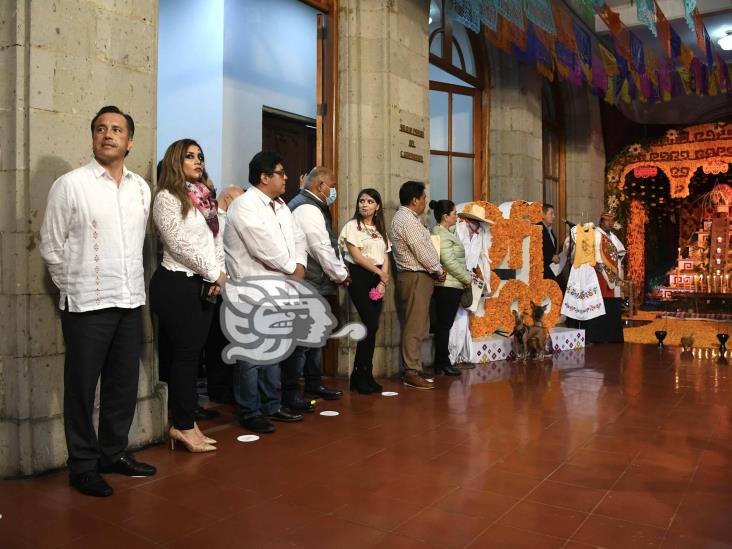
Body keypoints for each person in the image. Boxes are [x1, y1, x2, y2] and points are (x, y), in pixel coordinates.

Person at [39, 105, 156, 497]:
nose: (108, 134)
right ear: (93, 137)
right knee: (81, 387)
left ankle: (113, 453)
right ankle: (83, 465)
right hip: (87, 302)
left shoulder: (141, 187)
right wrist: (74, 285)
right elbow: (51, 247)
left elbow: (139, 246)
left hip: (129, 299)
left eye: (117, 129)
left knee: (122, 385)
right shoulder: (71, 184)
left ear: (129, 141)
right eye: (101, 129)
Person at [150, 139, 225, 453]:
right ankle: (181, 426)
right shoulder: (167, 198)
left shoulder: (205, 199)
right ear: (175, 161)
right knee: (184, 357)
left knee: (193, 357)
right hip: (176, 284)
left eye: (201, 156)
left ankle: (189, 422)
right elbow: (179, 244)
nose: (198, 161)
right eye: (190, 156)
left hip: (203, 283)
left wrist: (218, 274)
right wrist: (213, 272)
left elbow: (214, 241)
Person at [224, 151, 305, 434]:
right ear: (264, 177)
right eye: (281, 173)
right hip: (251, 290)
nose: (285, 178)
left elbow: (297, 237)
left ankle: (271, 404)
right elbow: (265, 247)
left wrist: (300, 264)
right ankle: (249, 409)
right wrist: (291, 266)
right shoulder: (244, 206)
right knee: (250, 356)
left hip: (278, 287)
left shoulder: (281, 206)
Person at [282, 167, 348, 411]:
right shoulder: (308, 208)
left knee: (314, 339)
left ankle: (313, 383)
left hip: (314, 282)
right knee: (301, 342)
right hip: (308, 282)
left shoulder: (313, 205)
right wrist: (341, 274)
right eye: (332, 184)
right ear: (320, 186)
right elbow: (320, 248)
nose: (334, 190)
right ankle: (291, 392)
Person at [390, 181, 445, 390]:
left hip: (419, 276)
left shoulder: (409, 218)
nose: (425, 202)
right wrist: (438, 269)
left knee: (420, 323)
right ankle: (410, 372)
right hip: (415, 276)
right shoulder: (407, 220)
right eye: (423, 198)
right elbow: (422, 250)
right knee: (415, 325)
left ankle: (415, 366)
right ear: (414, 200)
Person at [339, 188, 391, 394]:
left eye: (370, 201)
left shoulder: (380, 230)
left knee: (373, 327)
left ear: (377, 206)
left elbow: (386, 255)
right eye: (362, 201)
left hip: (377, 279)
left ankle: (365, 375)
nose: (365, 204)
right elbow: (357, 256)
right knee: (369, 323)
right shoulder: (353, 227)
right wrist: (380, 273)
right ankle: (358, 375)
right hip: (359, 276)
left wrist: (383, 280)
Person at [203, 186, 244, 405]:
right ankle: (218, 388)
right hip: (217, 286)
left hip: (233, 286)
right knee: (216, 342)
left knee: (229, 340)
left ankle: (228, 386)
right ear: (229, 198)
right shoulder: (215, 217)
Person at [430, 200, 472, 377]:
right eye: (454, 213)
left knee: (444, 325)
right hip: (448, 285)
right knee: (444, 325)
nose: (456, 216)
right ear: (445, 217)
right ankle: (443, 362)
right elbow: (448, 260)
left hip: (453, 284)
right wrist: (466, 278)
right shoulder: (439, 233)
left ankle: (442, 362)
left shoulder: (447, 232)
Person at [590, 212, 626, 343]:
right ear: (601, 221)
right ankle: (601, 337)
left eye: (612, 221)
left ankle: (613, 337)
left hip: (613, 274)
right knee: (603, 305)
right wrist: (598, 267)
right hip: (601, 275)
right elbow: (591, 253)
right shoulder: (595, 235)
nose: (610, 223)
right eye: (607, 221)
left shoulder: (613, 236)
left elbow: (620, 252)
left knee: (613, 306)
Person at [539, 203, 560, 281]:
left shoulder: (549, 229)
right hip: (541, 273)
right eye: (551, 214)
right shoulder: (538, 228)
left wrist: (555, 256)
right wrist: (551, 257)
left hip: (550, 271)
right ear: (543, 215)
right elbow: (535, 250)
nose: (554, 217)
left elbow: (549, 248)